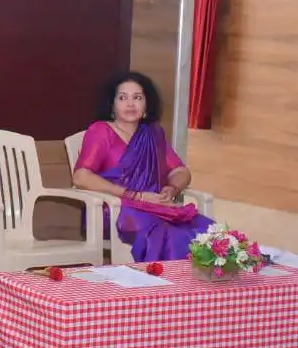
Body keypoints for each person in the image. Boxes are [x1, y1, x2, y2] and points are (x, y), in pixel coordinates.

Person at [72, 71, 214, 261]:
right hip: (114, 209)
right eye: (123, 98)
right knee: (168, 235)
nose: (131, 104)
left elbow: (180, 171)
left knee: (208, 231)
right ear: (112, 105)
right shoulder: (100, 131)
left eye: (137, 98)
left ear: (146, 105)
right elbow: (81, 176)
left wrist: (171, 189)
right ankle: (162, 285)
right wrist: (135, 196)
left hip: (155, 206)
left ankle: (195, 287)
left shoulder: (153, 133)